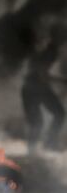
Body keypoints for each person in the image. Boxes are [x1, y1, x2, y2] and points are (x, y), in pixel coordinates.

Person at [21, 21, 66, 153]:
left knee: (57, 114)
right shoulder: (49, 51)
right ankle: (36, 149)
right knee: (38, 122)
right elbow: (41, 73)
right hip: (32, 90)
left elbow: (41, 72)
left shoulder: (50, 50)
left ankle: (48, 144)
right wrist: (62, 81)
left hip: (38, 88)